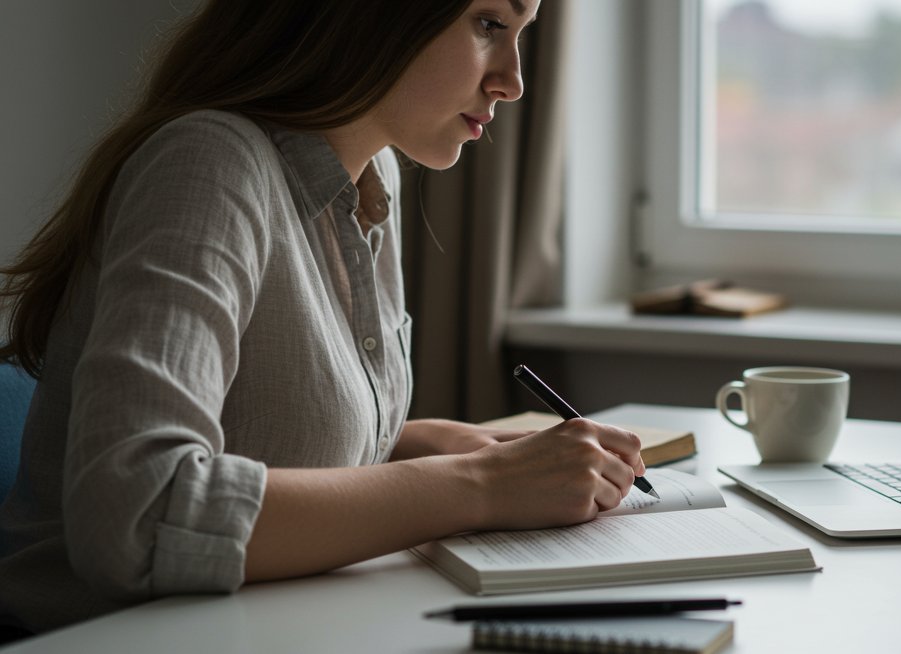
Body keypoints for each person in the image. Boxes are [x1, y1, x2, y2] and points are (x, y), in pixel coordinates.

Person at [0, 0, 646, 637]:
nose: (512, 79)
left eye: (521, 34)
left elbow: (259, 430)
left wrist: (417, 443)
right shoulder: (209, 163)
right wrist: (479, 484)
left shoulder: (369, 178)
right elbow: (138, 517)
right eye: (488, 25)